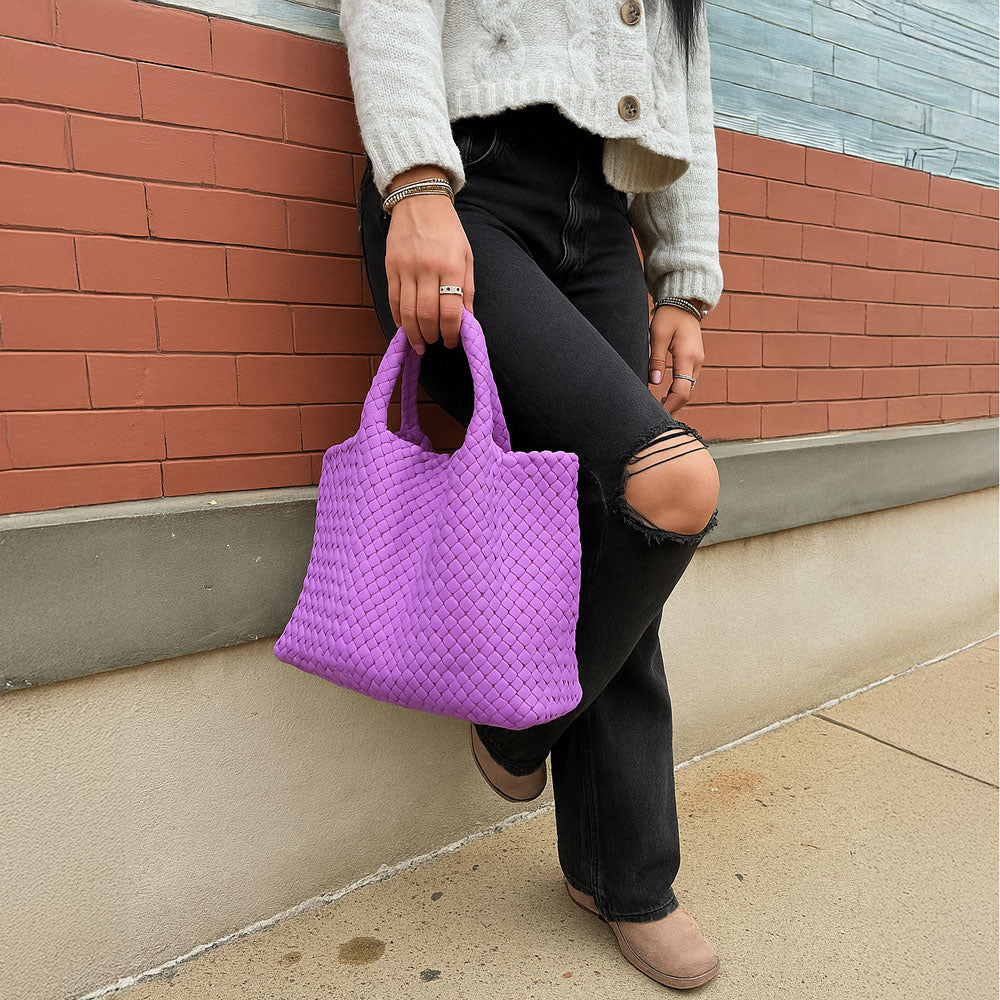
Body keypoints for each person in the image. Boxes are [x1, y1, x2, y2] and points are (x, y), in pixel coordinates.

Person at [341, 0, 724, 989]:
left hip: (600, 216)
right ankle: (520, 729)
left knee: (620, 519)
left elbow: (683, 76)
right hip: (467, 181)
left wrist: (680, 282)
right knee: (668, 483)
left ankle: (622, 874)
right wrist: (416, 184)